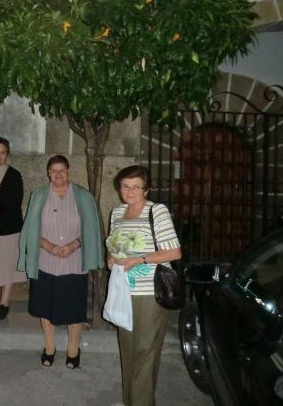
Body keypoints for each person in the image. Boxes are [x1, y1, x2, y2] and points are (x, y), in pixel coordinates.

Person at [106, 165, 181, 406]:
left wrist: (138, 260)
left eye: (136, 187)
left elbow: (174, 252)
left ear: (146, 189)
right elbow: (114, 246)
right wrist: (111, 259)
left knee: (145, 352)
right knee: (128, 349)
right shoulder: (117, 213)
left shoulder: (156, 211)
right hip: (122, 289)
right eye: (125, 186)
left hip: (149, 292)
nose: (130, 191)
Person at [18, 155, 103, 369]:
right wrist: (48, 246)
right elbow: (31, 228)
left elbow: (92, 229)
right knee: (45, 307)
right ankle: (49, 347)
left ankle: (73, 349)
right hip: (45, 262)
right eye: (53, 170)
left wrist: (75, 244)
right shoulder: (39, 195)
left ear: (68, 172)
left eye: (62, 170)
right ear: (48, 173)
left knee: (74, 308)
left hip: (75, 262)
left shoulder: (83, 196)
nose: (58, 174)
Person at [0, 137, 26, 320]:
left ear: (7, 154)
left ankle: (4, 302)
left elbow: (15, 202)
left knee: (8, 266)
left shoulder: (14, 175)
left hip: (10, 228)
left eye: (2, 152)